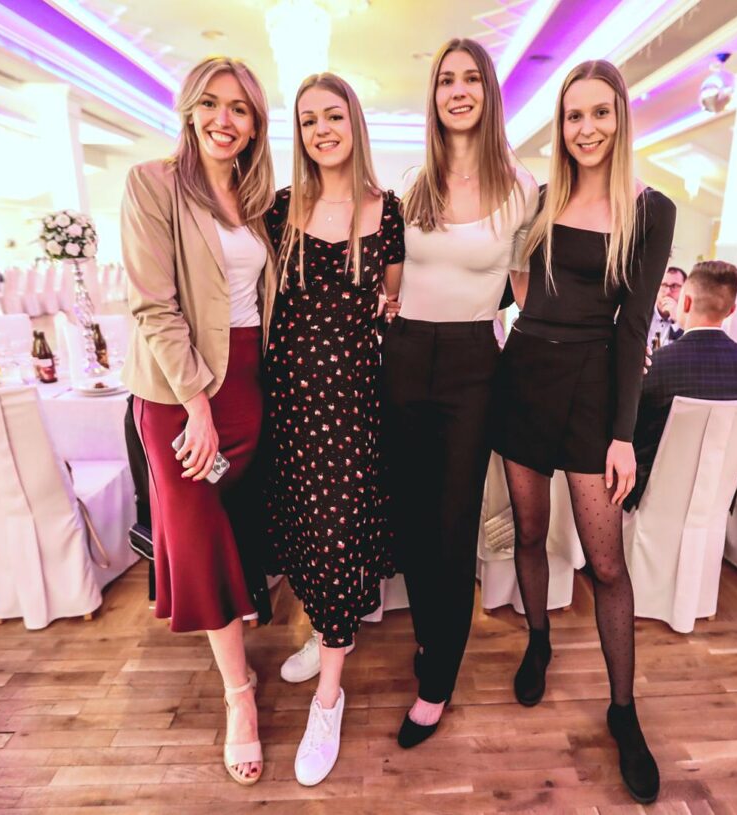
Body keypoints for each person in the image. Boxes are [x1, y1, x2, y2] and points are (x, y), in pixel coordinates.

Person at [492, 60, 675, 804]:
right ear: (561, 125)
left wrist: (623, 434)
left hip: (595, 392)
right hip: (523, 378)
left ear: (621, 117)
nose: (587, 128)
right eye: (574, 115)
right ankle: (538, 637)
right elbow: (514, 289)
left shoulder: (651, 208)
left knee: (607, 564)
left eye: (600, 113)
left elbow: (634, 329)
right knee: (530, 532)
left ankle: (623, 710)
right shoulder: (540, 199)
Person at [119, 56, 277, 787]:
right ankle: (240, 697)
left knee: (234, 524)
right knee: (197, 531)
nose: (224, 119)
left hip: (248, 381)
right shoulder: (152, 183)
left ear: (254, 123)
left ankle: (241, 640)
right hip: (178, 393)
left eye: (239, 108)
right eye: (211, 103)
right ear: (189, 108)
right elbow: (154, 305)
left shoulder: (258, 196)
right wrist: (195, 404)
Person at [381, 37, 539, 749]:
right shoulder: (412, 183)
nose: (458, 90)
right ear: (435, 95)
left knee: (452, 524)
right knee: (413, 522)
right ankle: (429, 637)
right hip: (403, 355)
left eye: (471, 78)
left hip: (475, 362)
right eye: (446, 79)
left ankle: (438, 677)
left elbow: (525, 286)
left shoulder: (523, 191)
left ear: (489, 92)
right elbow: (389, 275)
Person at [263, 72, 404, 786]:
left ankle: (329, 699)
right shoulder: (279, 209)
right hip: (290, 402)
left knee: (340, 534)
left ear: (355, 123)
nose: (322, 129)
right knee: (304, 531)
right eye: (309, 119)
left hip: (352, 405)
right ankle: (322, 634)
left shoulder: (388, 211)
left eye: (334, 116)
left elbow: (392, 303)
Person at [627, 260, 737, 510]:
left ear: (685, 302)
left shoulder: (657, 364)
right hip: (716, 502)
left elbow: (631, 433)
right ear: (731, 310)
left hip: (651, 501)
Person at [648, 265, 685, 346]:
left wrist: (678, 320)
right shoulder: (644, 314)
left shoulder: (688, 320)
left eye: (674, 286)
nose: (668, 292)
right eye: (663, 285)